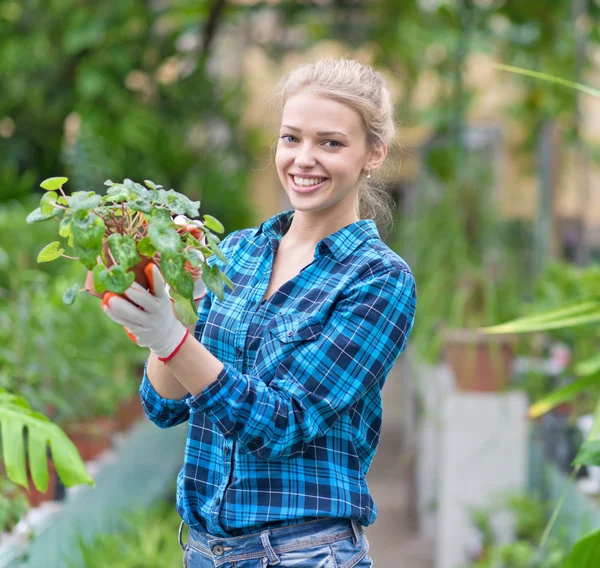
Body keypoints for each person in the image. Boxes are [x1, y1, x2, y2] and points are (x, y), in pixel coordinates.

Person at [102, 58, 417, 568]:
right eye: (291, 138)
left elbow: (284, 425)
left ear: (373, 153)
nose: (303, 159)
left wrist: (175, 341)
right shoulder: (241, 252)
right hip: (204, 551)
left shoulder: (378, 279)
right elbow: (166, 406)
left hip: (304, 554)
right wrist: (174, 319)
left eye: (330, 143)